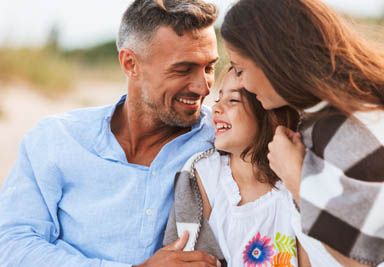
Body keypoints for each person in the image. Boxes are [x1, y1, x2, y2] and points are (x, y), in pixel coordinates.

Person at [0, 0, 222, 266]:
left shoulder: (223, 142)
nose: (203, 87)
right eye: (183, 70)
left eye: (209, 68)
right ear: (130, 63)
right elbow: (12, 246)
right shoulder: (55, 138)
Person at [220, 0, 384, 266]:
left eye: (240, 69)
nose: (243, 83)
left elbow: (361, 260)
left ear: (271, 59)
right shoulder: (321, 119)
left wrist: (294, 176)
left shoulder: (353, 128)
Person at [163, 68, 313, 267]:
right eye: (219, 98)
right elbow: (185, 257)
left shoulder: (294, 184)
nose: (216, 108)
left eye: (233, 100)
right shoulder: (205, 176)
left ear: (271, 114)